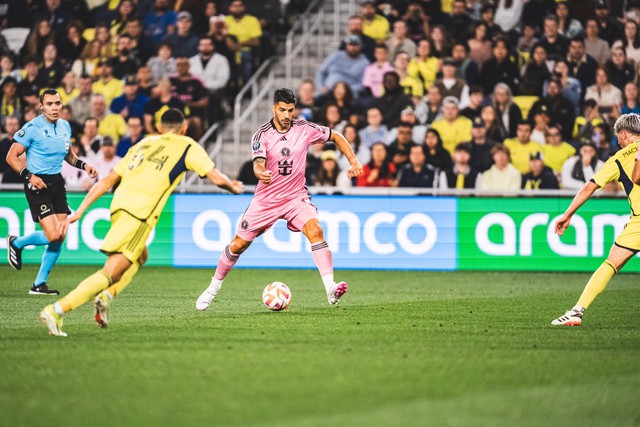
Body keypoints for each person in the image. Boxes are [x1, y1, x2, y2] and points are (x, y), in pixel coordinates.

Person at [39, 109, 243, 336]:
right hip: (140, 213)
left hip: (118, 207)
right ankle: (56, 310)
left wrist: (80, 211)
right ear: (184, 129)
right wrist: (233, 187)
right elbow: (215, 177)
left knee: (140, 256)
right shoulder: (188, 146)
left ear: (159, 129)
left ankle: (105, 297)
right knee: (110, 272)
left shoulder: (142, 145)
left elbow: (106, 181)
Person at [195, 88, 363, 312]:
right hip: (266, 199)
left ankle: (330, 288)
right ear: (273, 107)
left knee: (315, 230)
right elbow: (258, 162)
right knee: (238, 245)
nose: (286, 115)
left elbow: (336, 136)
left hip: (296, 197)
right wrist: (259, 171)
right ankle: (212, 289)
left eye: (290, 110)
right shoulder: (262, 134)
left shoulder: (304, 129)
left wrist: (353, 161)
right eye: (282, 110)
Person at [5, 89, 98, 295]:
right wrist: (29, 175)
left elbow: (68, 154)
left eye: (58, 103)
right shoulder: (32, 128)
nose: (55, 107)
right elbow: (11, 156)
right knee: (54, 233)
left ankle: (39, 284)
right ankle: (17, 243)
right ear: (41, 106)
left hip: (57, 182)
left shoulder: (65, 126)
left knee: (60, 235)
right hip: (37, 183)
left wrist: (84, 165)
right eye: (50, 104)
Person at [551, 113, 640, 326]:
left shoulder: (618, 159)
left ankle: (577, 311)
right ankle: (576, 311)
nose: (618, 142)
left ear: (624, 134)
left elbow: (589, 187)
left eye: (618, 137)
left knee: (611, 262)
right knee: (612, 259)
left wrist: (567, 214)